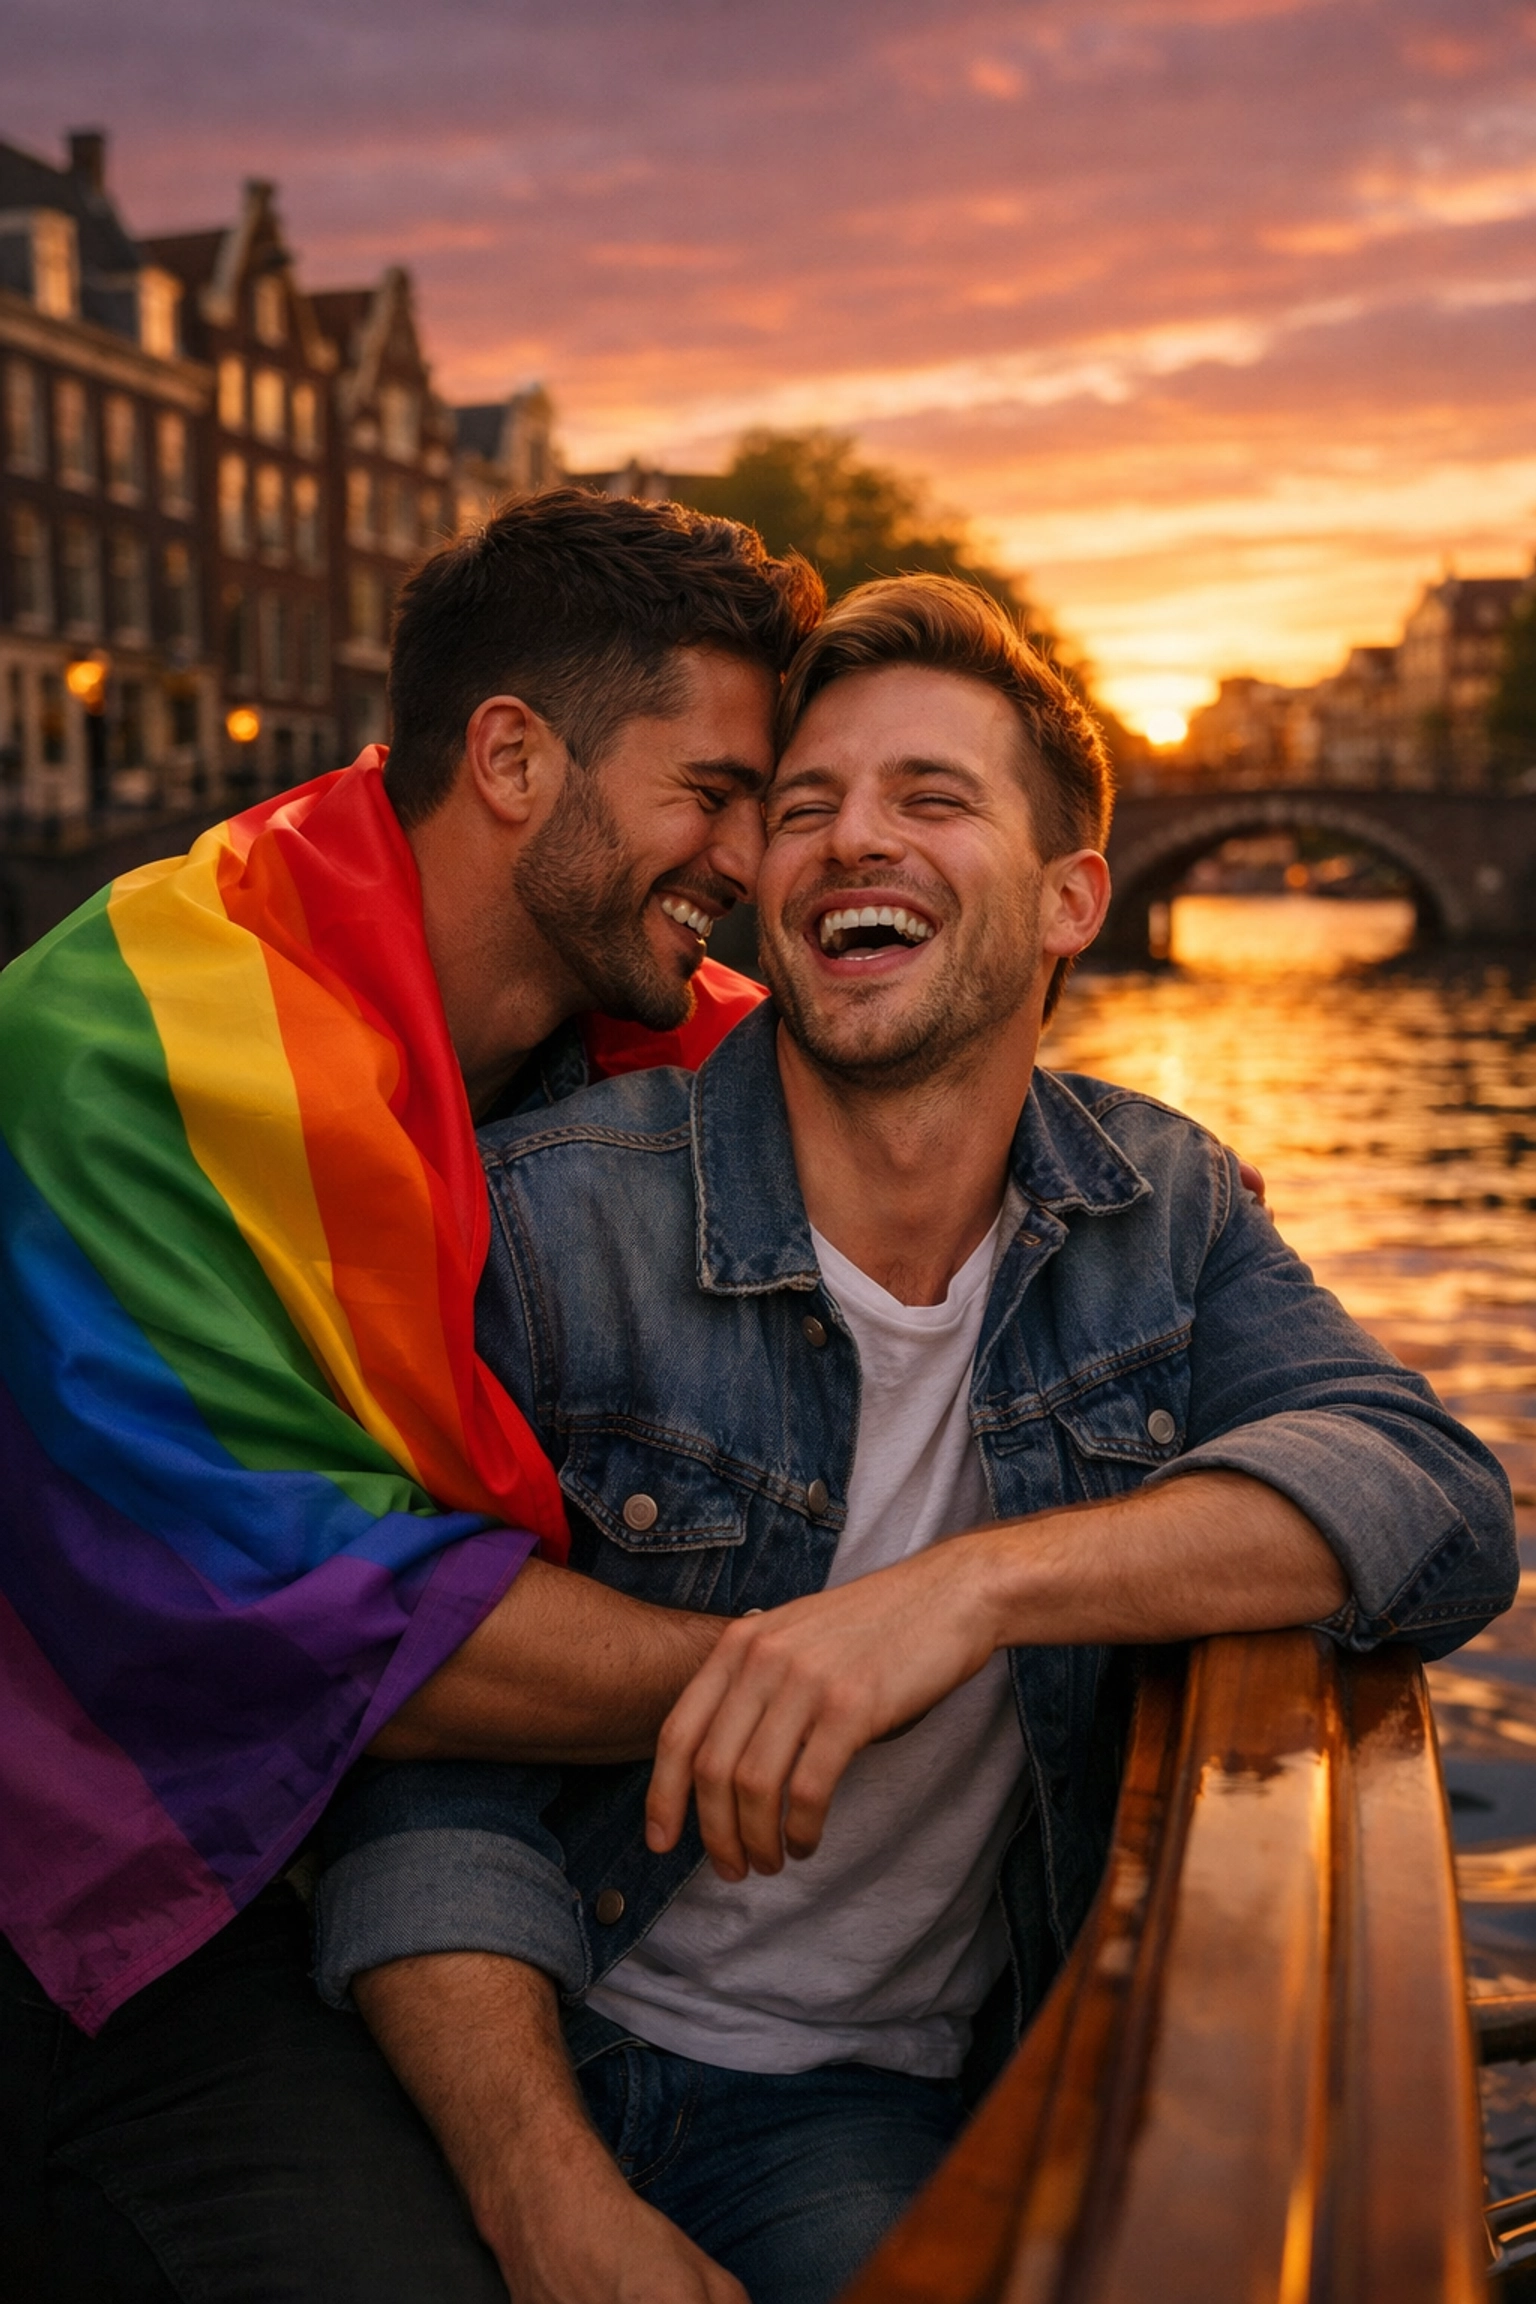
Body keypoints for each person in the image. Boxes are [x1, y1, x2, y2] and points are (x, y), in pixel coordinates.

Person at [316, 575, 1517, 2304]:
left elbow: (1435, 1501)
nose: (847, 840)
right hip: (505, 2035)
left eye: (929, 800)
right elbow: (414, 1743)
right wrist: (549, 2196)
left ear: (1071, 900)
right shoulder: (551, 1222)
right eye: (803, 808)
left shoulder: (1157, 1209)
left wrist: (967, 1593)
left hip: (845, 2108)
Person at [0, 490, 824, 2302]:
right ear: (516, 758)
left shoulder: (637, 1033)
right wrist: (858, 1668)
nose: (753, 863)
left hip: (255, 1886)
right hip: (68, 1876)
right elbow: (335, 1632)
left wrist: (1120, 1183)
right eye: (714, 795)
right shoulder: (132, 1041)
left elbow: (905, 1111)